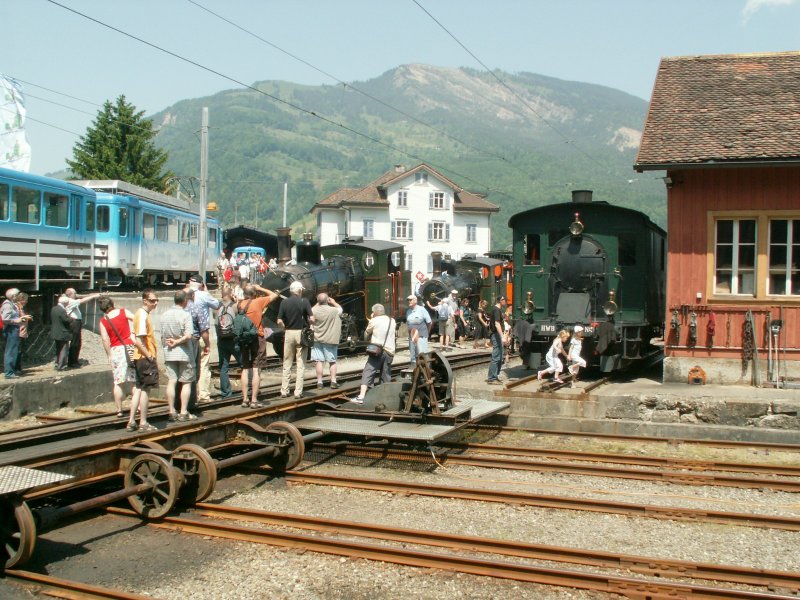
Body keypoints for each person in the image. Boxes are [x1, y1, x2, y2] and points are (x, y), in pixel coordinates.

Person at [238, 283, 279, 407]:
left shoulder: (239, 304)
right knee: (256, 369)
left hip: (244, 338)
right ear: (254, 294)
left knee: (245, 368)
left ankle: (245, 399)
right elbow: (274, 295)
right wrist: (260, 288)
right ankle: (254, 400)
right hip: (257, 337)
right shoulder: (258, 302)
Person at [160, 290, 197, 421]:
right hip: (184, 353)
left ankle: (171, 411)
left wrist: (169, 344)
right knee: (186, 382)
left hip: (169, 353)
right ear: (185, 301)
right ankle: (183, 412)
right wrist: (177, 341)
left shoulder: (164, 315)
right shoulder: (186, 315)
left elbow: (162, 336)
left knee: (172, 381)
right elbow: (188, 335)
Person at [98, 296, 136, 417]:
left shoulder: (103, 321)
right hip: (129, 347)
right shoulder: (123, 312)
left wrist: (109, 355)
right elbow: (136, 319)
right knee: (134, 380)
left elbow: (105, 339)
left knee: (118, 382)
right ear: (112, 303)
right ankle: (138, 407)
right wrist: (134, 334)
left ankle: (119, 410)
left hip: (116, 350)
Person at [127, 289, 159, 432]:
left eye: (156, 300)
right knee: (145, 389)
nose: (155, 303)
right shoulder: (141, 315)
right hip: (144, 358)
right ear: (145, 301)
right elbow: (139, 340)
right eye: (152, 300)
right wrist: (149, 356)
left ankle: (132, 421)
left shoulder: (141, 315)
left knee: (139, 389)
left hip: (140, 357)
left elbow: (133, 336)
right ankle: (143, 422)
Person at [351, 304, 396, 402]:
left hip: (377, 351)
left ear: (375, 312)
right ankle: (384, 398)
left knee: (368, 371)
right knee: (385, 375)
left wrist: (371, 319)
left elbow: (366, 334)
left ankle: (362, 396)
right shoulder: (392, 320)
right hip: (390, 351)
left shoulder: (374, 320)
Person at [277, 281, 314, 399]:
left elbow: (279, 321)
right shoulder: (305, 301)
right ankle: (298, 392)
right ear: (300, 290)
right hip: (301, 334)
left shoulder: (284, 302)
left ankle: (284, 390)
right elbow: (312, 318)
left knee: (287, 362)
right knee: (300, 363)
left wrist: (284, 328)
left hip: (289, 333)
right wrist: (310, 324)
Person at [188, 275, 220, 403]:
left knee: (189, 366)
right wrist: (206, 290)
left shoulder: (184, 295)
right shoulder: (203, 295)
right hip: (201, 335)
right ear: (201, 284)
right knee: (203, 365)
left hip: (187, 336)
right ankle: (203, 395)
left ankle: (191, 396)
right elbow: (217, 304)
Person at [64, 288, 101, 369]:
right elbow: (82, 300)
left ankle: (73, 360)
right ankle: (73, 362)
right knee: (75, 342)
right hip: (74, 322)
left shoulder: (67, 301)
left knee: (76, 342)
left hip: (75, 322)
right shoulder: (70, 301)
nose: (76, 294)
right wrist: (94, 296)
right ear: (70, 294)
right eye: (75, 293)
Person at [311, 293, 342, 389]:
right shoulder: (333, 310)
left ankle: (319, 382)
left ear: (318, 301)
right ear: (327, 300)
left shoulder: (314, 310)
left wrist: (317, 303)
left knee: (319, 361)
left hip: (317, 339)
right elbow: (341, 309)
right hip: (330, 339)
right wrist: (334, 302)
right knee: (332, 361)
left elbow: (311, 311)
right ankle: (333, 381)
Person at [216, 287, 241, 399]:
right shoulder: (235, 306)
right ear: (231, 294)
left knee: (223, 367)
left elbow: (216, 323)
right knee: (244, 365)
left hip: (221, 340)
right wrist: (236, 301)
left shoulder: (217, 307)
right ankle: (249, 388)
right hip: (234, 340)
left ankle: (226, 393)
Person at [2, 288, 30, 379]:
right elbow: (5, 319)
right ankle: (9, 373)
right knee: (11, 351)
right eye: (17, 294)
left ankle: (12, 371)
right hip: (11, 329)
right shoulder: (7, 305)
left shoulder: (12, 304)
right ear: (13, 296)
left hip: (14, 328)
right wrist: (18, 320)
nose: (19, 296)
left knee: (14, 350)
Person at [486, 296, 507, 384]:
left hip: (497, 335)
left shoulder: (497, 310)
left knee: (500, 356)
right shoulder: (497, 310)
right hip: (496, 335)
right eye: (504, 300)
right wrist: (502, 336)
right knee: (496, 356)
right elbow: (497, 324)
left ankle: (495, 376)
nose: (505, 302)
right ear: (500, 301)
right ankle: (492, 378)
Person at [405, 294, 431, 367]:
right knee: (413, 355)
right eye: (408, 300)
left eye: (410, 300)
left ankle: (426, 369)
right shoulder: (408, 312)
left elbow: (429, 322)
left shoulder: (422, 309)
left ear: (415, 301)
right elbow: (408, 324)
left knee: (422, 353)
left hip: (421, 335)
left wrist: (427, 333)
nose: (409, 301)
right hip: (412, 337)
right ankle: (414, 368)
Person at [51, 295, 73, 372]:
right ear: (64, 303)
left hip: (55, 332)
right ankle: (62, 366)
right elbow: (66, 320)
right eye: (67, 303)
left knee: (58, 349)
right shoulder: (62, 310)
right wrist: (71, 318)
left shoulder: (54, 308)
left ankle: (57, 363)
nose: (67, 304)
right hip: (63, 333)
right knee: (64, 349)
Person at [13, 292, 31, 374]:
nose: (27, 302)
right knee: (17, 350)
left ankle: (18, 367)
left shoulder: (21, 308)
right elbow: (15, 319)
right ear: (21, 299)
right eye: (26, 300)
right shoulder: (16, 307)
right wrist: (24, 318)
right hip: (18, 332)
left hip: (22, 332)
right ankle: (16, 368)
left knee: (20, 351)